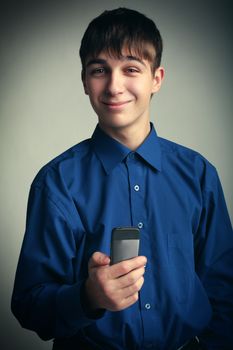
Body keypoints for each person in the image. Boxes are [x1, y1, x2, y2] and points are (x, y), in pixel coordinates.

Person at [11, 7, 233, 350]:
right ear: (85, 81)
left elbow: (224, 288)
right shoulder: (56, 183)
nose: (114, 86)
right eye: (100, 70)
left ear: (156, 78)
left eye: (131, 69)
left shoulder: (199, 174)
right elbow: (29, 305)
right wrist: (88, 297)